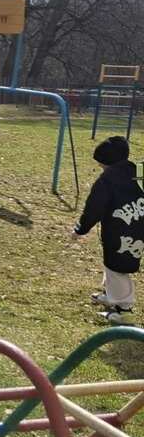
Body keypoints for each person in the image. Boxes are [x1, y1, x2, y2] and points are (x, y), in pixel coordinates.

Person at [74, 136, 144, 325]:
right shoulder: (138, 171)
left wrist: (81, 229)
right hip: (138, 228)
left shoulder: (107, 180)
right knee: (113, 263)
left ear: (108, 161)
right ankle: (111, 294)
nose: (100, 167)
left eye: (101, 163)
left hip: (118, 230)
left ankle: (124, 310)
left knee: (117, 268)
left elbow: (94, 208)